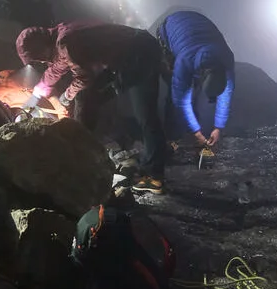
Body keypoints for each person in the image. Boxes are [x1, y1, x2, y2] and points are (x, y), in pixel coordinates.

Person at [16, 21, 168, 195]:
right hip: (127, 55)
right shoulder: (59, 39)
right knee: (90, 97)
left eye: (38, 57)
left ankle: (155, 176)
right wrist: (37, 94)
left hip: (141, 53)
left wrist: (66, 97)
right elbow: (56, 68)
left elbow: (83, 78)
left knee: (145, 114)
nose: (41, 61)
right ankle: (87, 144)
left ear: (42, 46)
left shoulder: (67, 43)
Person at [156, 10, 236, 149]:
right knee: (174, 90)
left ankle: (191, 128)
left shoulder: (227, 61)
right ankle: (171, 138)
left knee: (195, 91)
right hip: (169, 30)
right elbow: (180, 101)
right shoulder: (185, 61)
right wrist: (196, 132)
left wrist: (218, 127)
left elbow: (225, 96)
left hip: (197, 25)